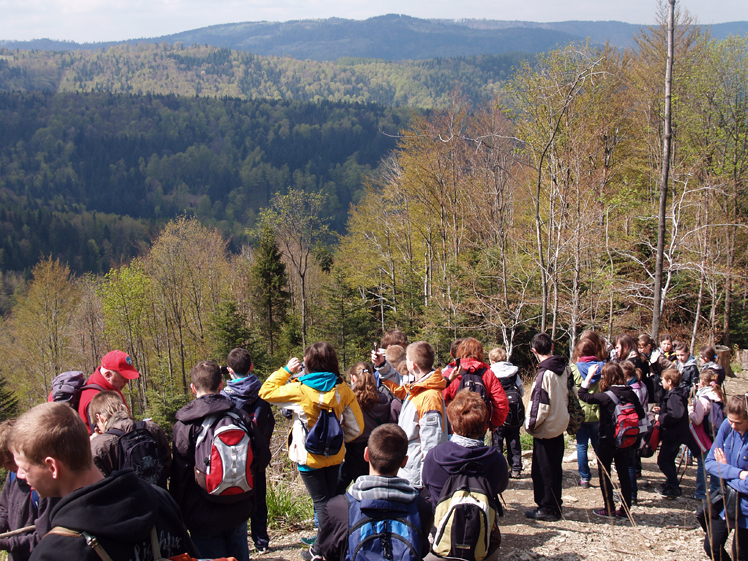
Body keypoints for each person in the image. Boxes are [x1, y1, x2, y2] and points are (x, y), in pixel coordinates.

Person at [9, 402, 198, 561]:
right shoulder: (160, 501)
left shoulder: (53, 553)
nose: (20, 475)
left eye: (24, 468)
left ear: (52, 467)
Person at [259, 342, 364, 561]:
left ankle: (321, 550)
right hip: (334, 455)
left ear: (308, 363)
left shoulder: (299, 389)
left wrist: (286, 370)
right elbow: (357, 428)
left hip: (308, 456)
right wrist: (340, 440)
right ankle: (325, 547)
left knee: (322, 504)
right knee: (330, 501)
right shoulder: (343, 389)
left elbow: (265, 391)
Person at [171, 360, 269, 561]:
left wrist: (179, 513)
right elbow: (262, 459)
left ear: (193, 388)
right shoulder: (239, 417)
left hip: (202, 512)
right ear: (221, 385)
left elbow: (180, 475)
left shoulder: (185, 425)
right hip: (239, 505)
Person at [318, 424, 433, 561]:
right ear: (404, 461)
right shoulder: (421, 508)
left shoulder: (338, 508)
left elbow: (329, 552)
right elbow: (422, 549)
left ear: (366, 454)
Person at [422, 390, 508, 561]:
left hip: (441, 541)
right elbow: (501, 486)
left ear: (452, 425)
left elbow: (426, 484)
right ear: (484, 427)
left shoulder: (435, 456)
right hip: (482, 545)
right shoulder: (496, 459)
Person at [221, 348, 275, 555]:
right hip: (258, 456)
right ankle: (261, 541)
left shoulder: (225, 398)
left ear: (229, 370)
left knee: (237, 498)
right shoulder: (263, 392)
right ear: (251, 367)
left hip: (235, 457)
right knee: (259, 498)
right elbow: (269, 422)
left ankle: (238, 542)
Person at [578, 362, 645, 518]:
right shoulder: (631, 393)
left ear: (606, 378)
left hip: (607, 440)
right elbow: (641, 414)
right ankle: (625, 509)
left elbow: (583, 395)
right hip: (626, 440)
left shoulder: (606, 396)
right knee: (624, 474)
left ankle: (609, 508)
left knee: (605, 474)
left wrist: (588, 377)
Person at [524, 333, 569, 522]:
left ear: (534, 351)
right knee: (555, 468)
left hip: (545, 429)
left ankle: (547, 508)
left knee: (543, 471)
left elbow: (539, 406)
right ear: (551, 346)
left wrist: (529, 426)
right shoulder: (564, 369)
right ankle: (555, 504)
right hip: (559, 426)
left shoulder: (544, 374)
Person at [88, 391, 172, 488]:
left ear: (99, 417)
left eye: (97, 424)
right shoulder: (151, 428)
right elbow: (168, 467)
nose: (99, 428)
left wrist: (91, 444)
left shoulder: (98, 445)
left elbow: (98, 487)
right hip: (157, 495)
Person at [394, 341, 448, 489]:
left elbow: (432, 442)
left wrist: (427, 481)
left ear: (413, 365)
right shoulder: (418, 387)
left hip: (418, 476)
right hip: (411, 467)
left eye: (407, 358)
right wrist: (382, 366)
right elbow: (396, 384)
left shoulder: (429, 397)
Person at [0, 420, 56, 561]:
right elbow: (4, 510)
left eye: (9, 462)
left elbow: (44, 536)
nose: (6, 467)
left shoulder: (44, 487)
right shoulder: (12, 476)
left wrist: (6, 544)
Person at [703, 395, 748, 561]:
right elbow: (709, 463)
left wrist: (724, 470)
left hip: (746, 507)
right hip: (726, 499)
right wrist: (739, 474)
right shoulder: (727, 426)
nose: (733, 426)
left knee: (740, 554)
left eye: (739, 422)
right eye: (731, 421)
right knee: (712, 546)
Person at [336, 362, 392, 494]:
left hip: (354, 447)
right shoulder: (383, 398)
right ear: (372, 377)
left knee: (347, 483)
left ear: (352, 378)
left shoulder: (349, 399)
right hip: (377, 446)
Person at [443, 338, 509, 434]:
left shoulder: (451, 373)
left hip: (455, 425)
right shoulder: (488, 374)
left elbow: (440, 400)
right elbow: (501, 402)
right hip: (479, 425)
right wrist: (495, 423)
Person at [655, 367, 699, 498]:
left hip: (674, 435)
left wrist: (661, 418)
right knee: (669, 460)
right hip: (676, 434)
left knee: (663, 461)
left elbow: (676, 415)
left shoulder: (674, 396)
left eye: (663, 380)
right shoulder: (676, 394)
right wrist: (662, 410)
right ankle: (671, 483)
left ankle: (674, 485)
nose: (661, 383)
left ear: (669, 381)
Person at [77, 350, 141, 434]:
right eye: (123, 377)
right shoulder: (95, 399)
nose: (127, 381)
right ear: (108, 375)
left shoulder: (110, 387)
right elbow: (106, 438)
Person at [570, 338, 604, 490]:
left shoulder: (574, 369)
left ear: (578, 352)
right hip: (598, 412)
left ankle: (584, 478)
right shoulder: (602, 367)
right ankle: (604, 474)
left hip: (581, 413)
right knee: (598, 445)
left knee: (582, 445)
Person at [489, 346, 524, 479]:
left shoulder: (491, 373)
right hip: (514, 411)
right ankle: (516, 468)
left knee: (497, 440)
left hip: (497, 411)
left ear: (492, 361)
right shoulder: (514, 372)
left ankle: (498, 469)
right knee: (514, 439)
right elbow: (521, 391)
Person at [689, 369, 725, 499]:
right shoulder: (718, 395)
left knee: (702, 463)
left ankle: (700, 492)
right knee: (715, 463)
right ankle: (716, 491)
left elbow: (697, 420)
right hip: (716, 434)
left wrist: (690, 412)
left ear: (703, 382)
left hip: (704, 435)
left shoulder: (703, 398)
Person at [621, 361, 648, 503]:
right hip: (641, 426)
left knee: (629, 463)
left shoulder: (633, 390)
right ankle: (631, 493)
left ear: (625, 375)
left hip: (634, 427)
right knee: (632, 460)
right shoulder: (641, 385)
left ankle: (631, 494)